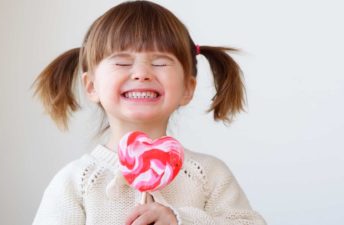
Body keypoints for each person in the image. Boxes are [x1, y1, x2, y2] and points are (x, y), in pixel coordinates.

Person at [31, 1, 266, 225]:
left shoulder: (209, 175)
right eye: (122, 63)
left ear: (187, 88)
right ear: (92, 86)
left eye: (161, 63)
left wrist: (180, 220)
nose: (141, 73)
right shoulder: (76, 182)